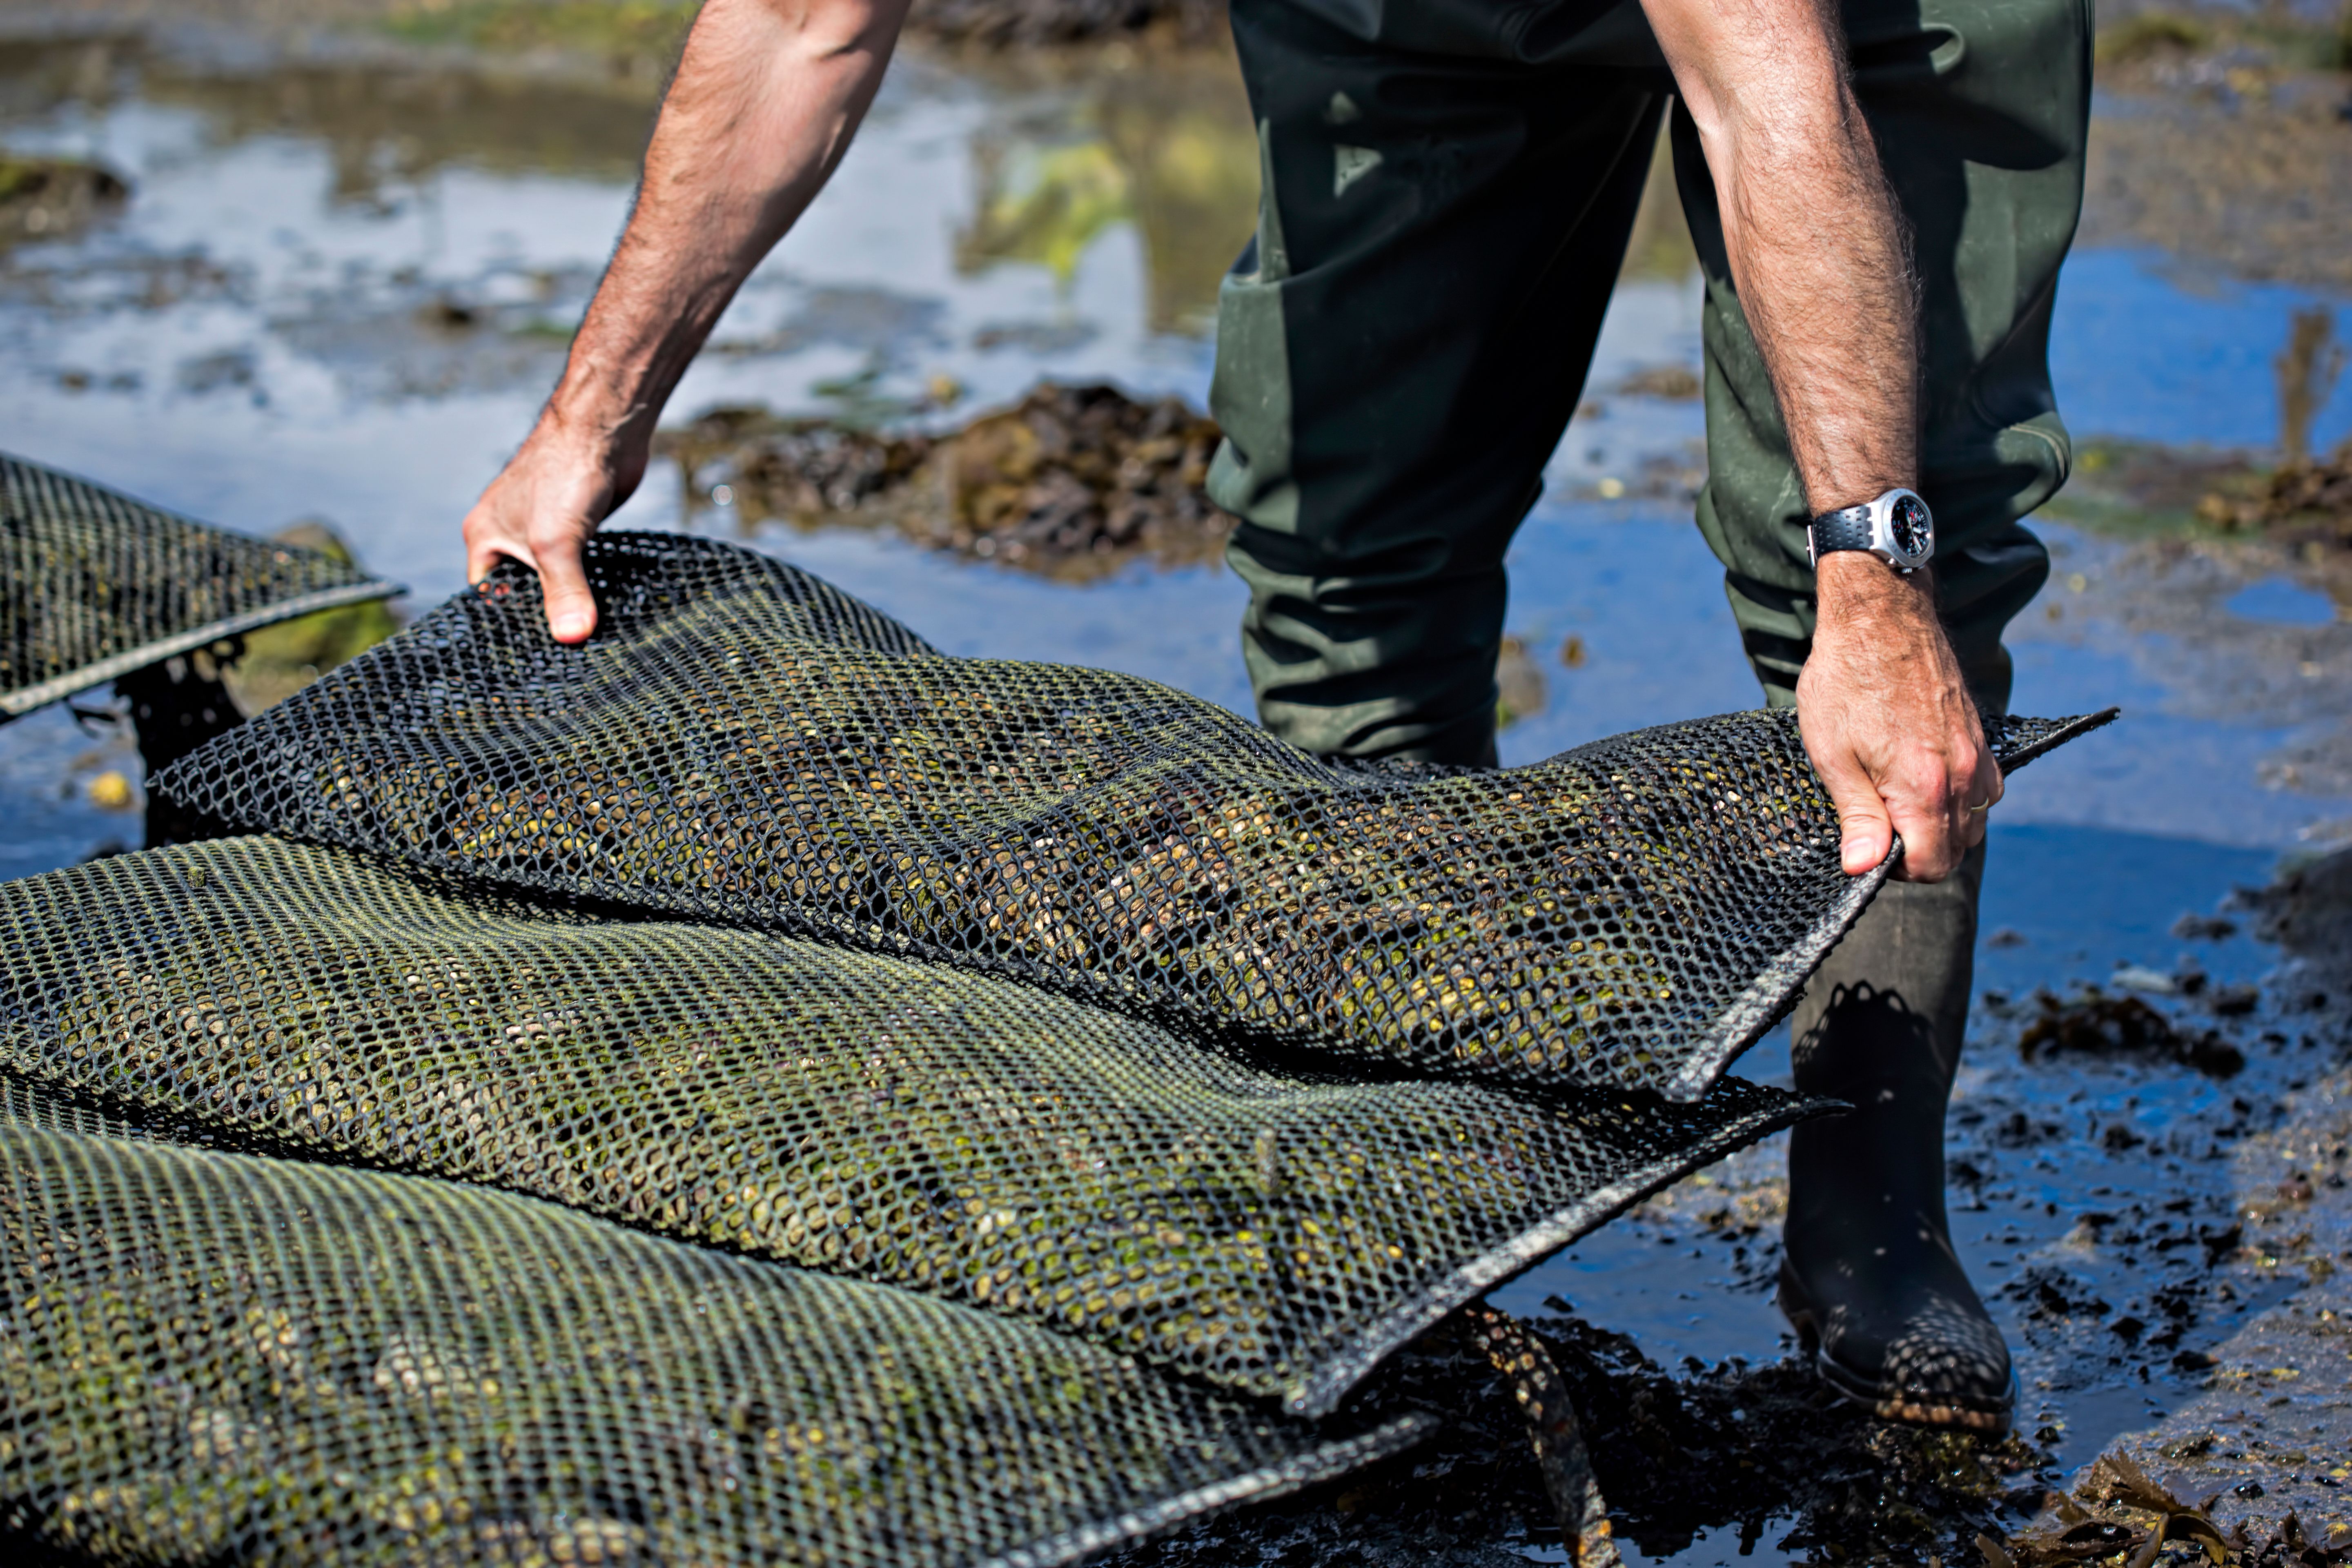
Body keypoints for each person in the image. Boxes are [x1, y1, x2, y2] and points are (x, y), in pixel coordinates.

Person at [462, 0, 2087, 1434]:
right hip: (1413, 23)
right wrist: (587, 421)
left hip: (1851, 26)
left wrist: (1873, 576)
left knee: (1896, 556)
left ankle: (1873, 1214)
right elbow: (799, 23)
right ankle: (1417, 1156)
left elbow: (1771, 91)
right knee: (1344, 533)